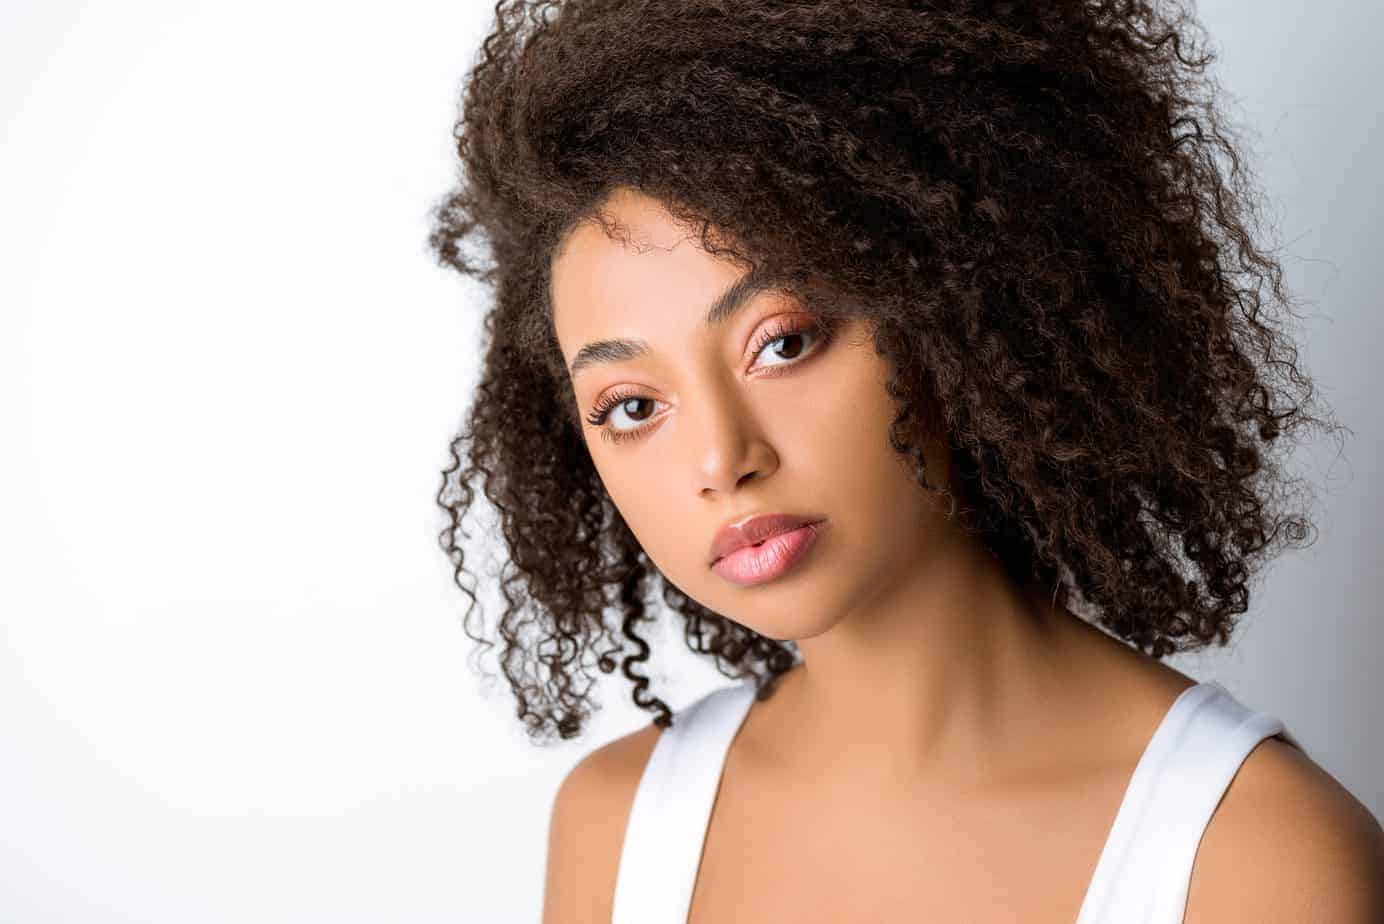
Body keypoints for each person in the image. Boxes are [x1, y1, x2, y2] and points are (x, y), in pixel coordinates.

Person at [424, 1, 1384, 921]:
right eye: (633, 406)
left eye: (785, 343)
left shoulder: (1255, 856)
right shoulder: (616, 829)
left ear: (956, 311)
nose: (723, 458)